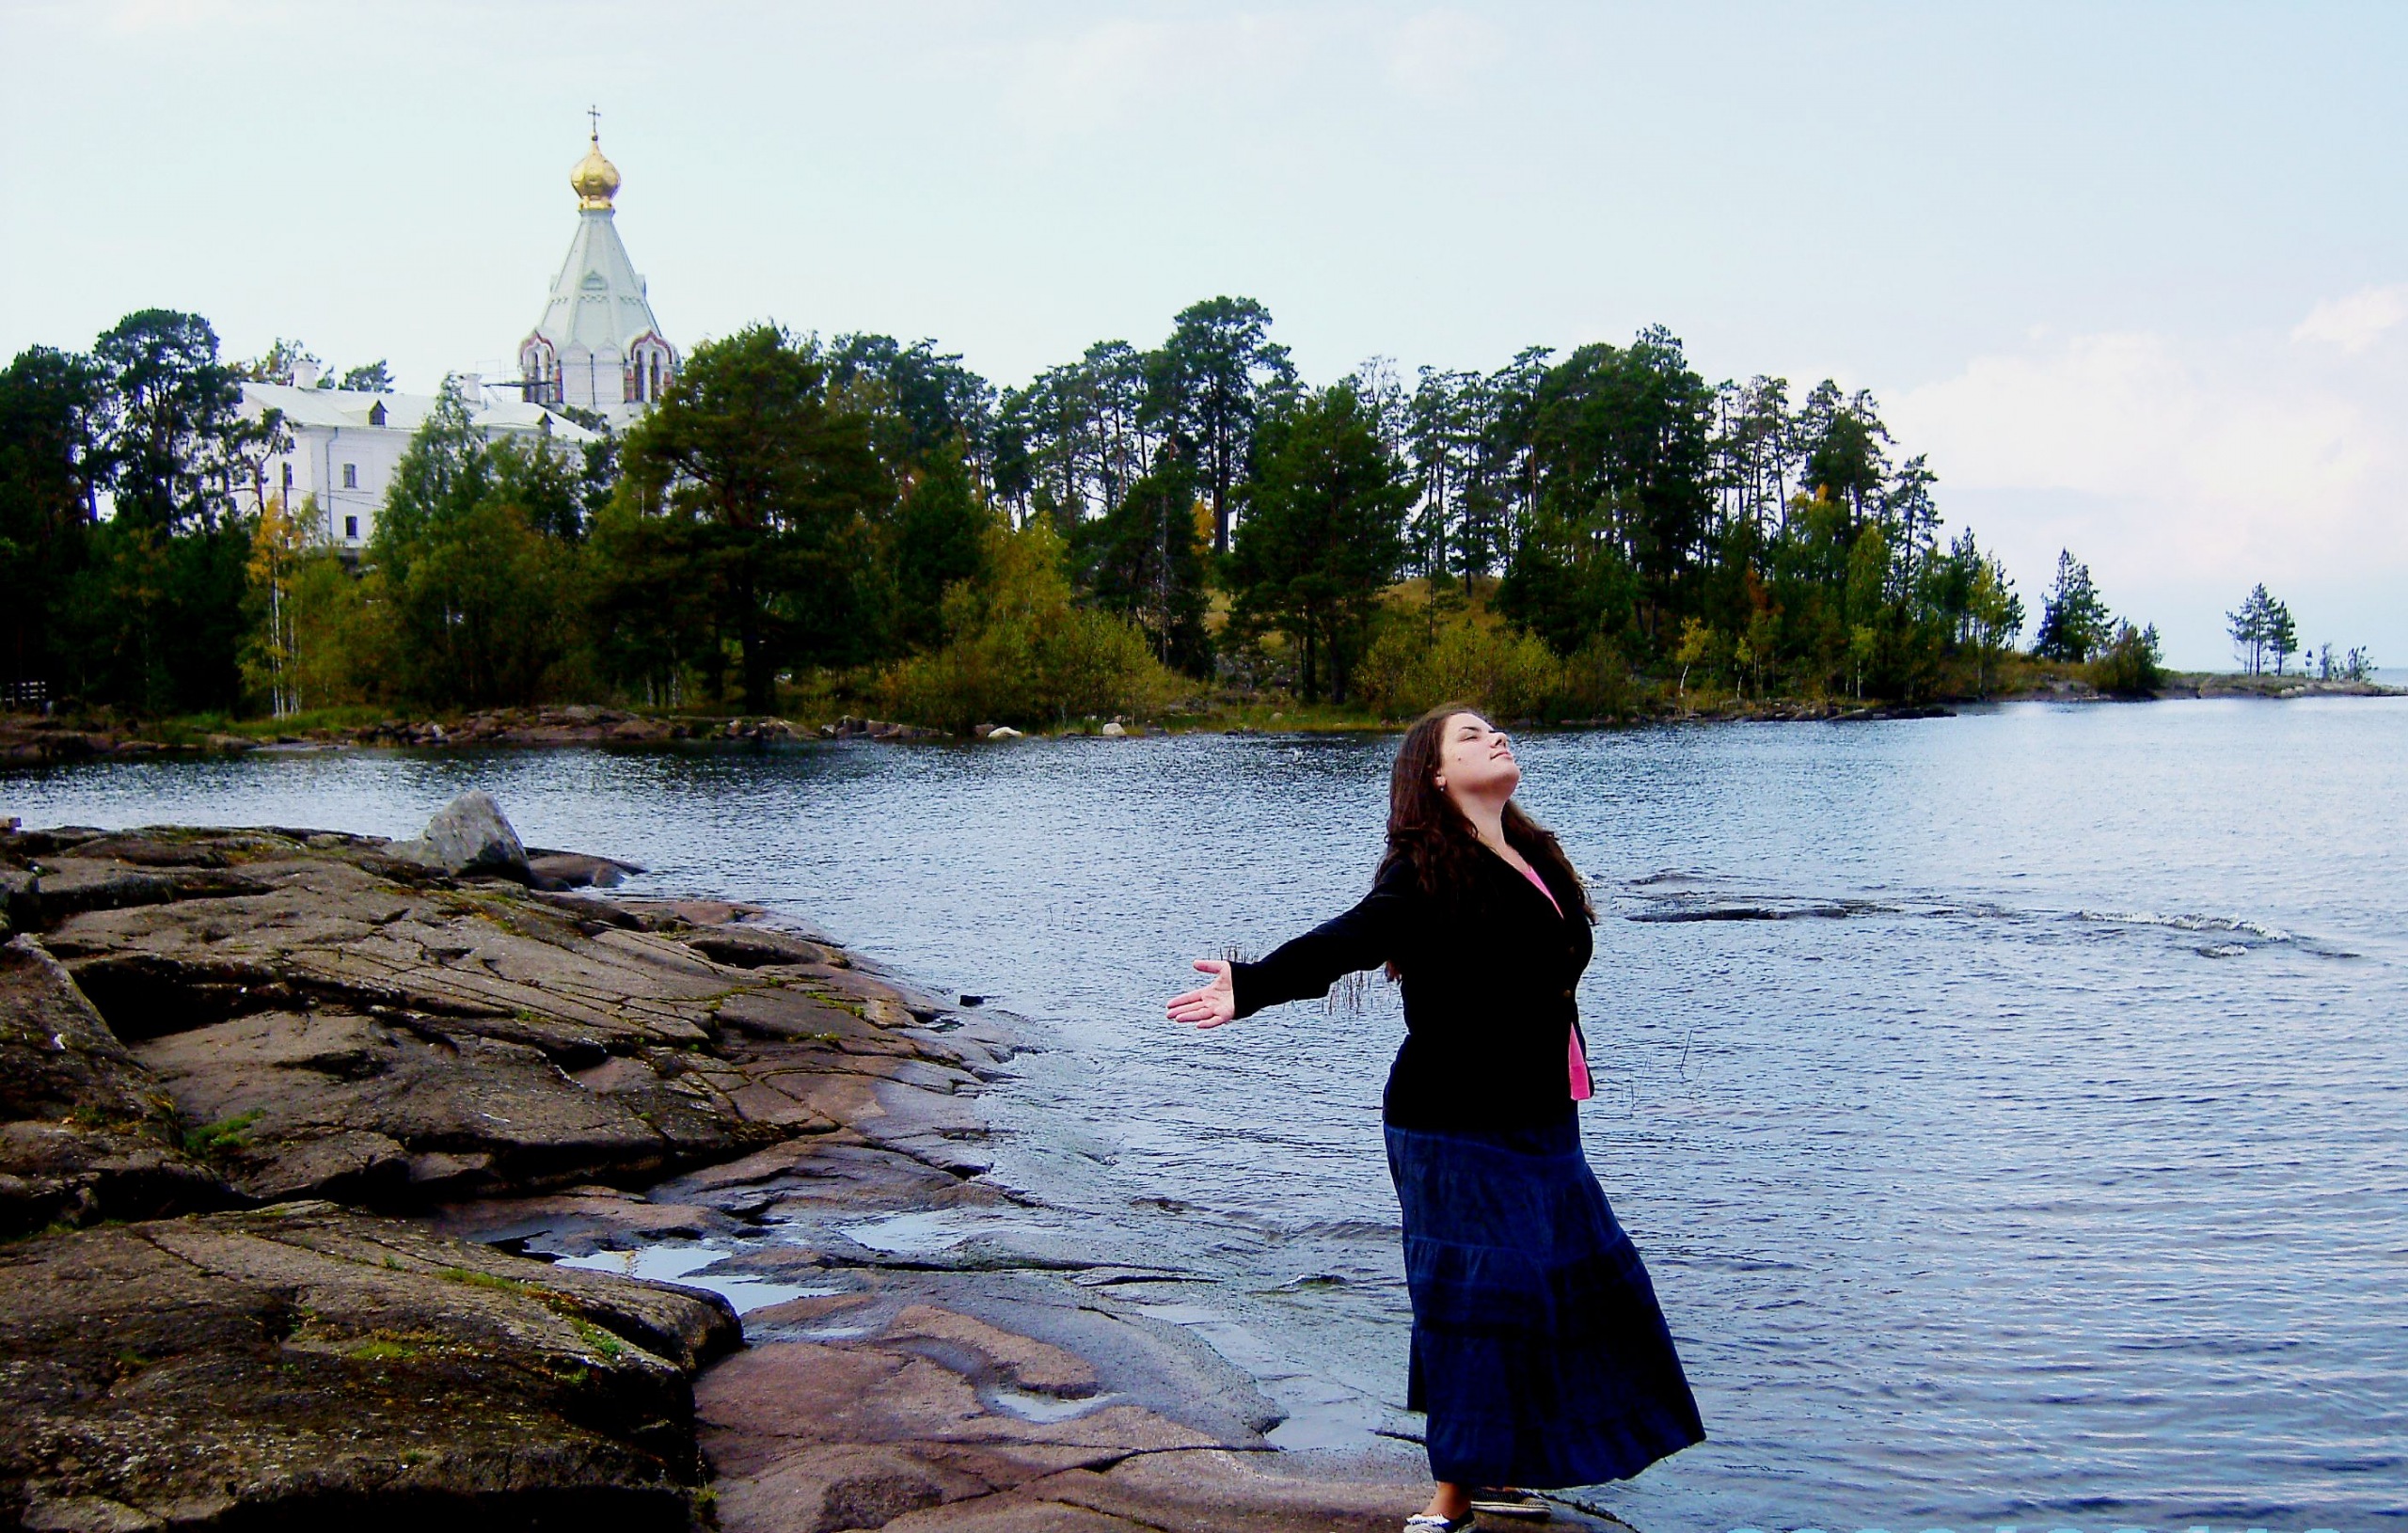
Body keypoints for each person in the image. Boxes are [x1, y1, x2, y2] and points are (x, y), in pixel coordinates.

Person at [1165, 703, 1704, 1531]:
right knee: (1476, 1297)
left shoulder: (1533, 854)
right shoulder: (1424, 865)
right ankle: (1455, 1488)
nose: (1494, 737)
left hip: (1542, 1115)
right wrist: (1257, 982)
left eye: (1494, 729)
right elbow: (1355, 936)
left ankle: (1504, 1462)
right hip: (1453, 1119)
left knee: (1569, 1284)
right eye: (1470, 736)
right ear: (1437, 775)